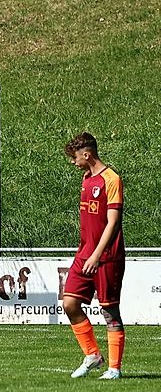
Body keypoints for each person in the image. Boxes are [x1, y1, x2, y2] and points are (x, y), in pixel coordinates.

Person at [62, 132, 125, 379]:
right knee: (69, 303)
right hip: (84, 253)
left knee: (110, 311)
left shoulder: (111, 179)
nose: (73, 162)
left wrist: (97, 255)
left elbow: (113, 223)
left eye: (75, 157)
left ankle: (114, 369)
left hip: (106, 255)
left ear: (87, 155)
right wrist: (88, 252)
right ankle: (92, 355)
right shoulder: (87, 178)